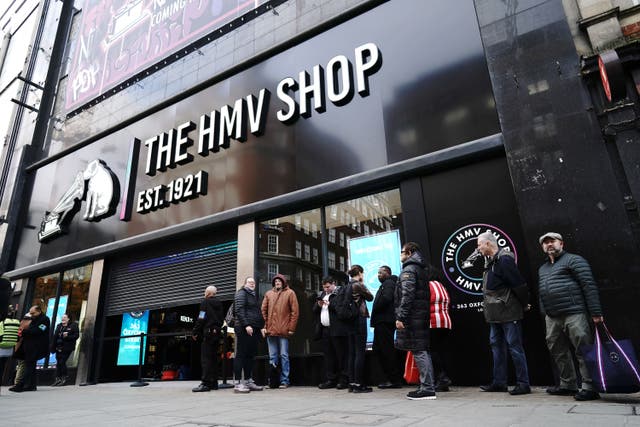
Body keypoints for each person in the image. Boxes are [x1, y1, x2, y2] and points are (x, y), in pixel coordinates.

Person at [538, 232, 604, 401]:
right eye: (545, 243)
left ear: (562, 243)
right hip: (552, 316)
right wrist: (545, 312)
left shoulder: (574, 260)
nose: (549, 245)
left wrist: (596, 312)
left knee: (583, 349)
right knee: (557, 350)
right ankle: (568, 385)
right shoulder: (543, 268)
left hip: (574, 312)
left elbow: (588, 286)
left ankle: (590, 387)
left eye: (552, 241)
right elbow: (542, 292)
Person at [477, 231, 531, 395]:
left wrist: (524, 303)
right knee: (496, 347)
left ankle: (523, 384)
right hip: (494, 314)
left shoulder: (504, 259)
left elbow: (518, 284)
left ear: (488, 243)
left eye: (479, 245)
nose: (478, 249)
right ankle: (499, 382)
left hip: (508, 312)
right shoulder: (490, 262)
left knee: (515, 347)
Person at [395, 242, 436, 400]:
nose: (401, 255)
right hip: (419, 315)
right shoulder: (420, 268)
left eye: (402, 252)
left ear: (409, 252)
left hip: (413, 317)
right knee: (422, 350)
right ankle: (427, 386)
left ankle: (427, 388)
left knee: (419, 351)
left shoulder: (409, 269)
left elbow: (407, 295)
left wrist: (401, 316)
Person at [261, 273, 299, 389]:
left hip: (284, 330)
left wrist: (291, 328)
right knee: (272, 357)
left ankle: (285, 380)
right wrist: (265, 326)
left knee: (284, 355)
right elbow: (263, 311)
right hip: (270, 331)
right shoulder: (268, 294)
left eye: (279, 281)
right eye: (275, 281)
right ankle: (273, 381)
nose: (277, 283)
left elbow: (295, 312)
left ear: (283, 283)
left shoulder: (290, 293)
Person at [314, 276, 350, 389]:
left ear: (333, 283)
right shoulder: (323, 294)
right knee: (329, 356)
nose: (326, 289)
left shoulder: (339, 293)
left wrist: (330, 304)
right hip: (325, 330)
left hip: (337, 329)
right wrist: (318, 305)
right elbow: (314, 310)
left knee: (341, 355)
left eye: (328, 287)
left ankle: (344, 379)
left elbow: (341, 310)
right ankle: (331, 379)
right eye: (324, 287)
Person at [371, 265, 402, 389]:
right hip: (381, 322)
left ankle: (393, 380)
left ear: (388, 273)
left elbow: (387, 298)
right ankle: (389, 378)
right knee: (379, 350)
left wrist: (376, 305)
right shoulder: (386, 284)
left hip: (384, 321)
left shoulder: (389, 283)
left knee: (386, 351)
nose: (378, 275)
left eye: (381, 272)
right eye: (378, 273)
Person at [233, 277, 265, 393]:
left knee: (250, 355)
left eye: (253, 282)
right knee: (241, 354)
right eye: (250, 282)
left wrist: (261, 327)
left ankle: (248, 381)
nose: (252, 284)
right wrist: (246, 325)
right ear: (245, 283)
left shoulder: (252, 295)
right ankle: (237, 383)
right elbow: (239, 310)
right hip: (243, 328)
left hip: (254, 328)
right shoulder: (241, 293)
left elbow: (257, 313)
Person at [345, 264, 374, 393]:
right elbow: (370, 296)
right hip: (359, 319)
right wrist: (363, 283)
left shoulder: (347, 285)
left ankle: (351, 383)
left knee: (351, 353)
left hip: (350, 320)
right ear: (360, 273)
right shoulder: (358, 284)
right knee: (360, 352)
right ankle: (358, 384)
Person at [9, 305, 50, 392]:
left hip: (36, 347)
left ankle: (21, 385)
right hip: (29, 346)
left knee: (29, 366)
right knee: (30, 365)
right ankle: (31, 385)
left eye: (33, 313)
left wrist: (24, 332)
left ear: (39, 311)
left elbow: (39, 330)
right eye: (30, 313)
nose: (31, 315)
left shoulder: (45, 319)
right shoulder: (34, 319)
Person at [191, 285, 224, 392]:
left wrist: (195, 331)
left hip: (208, 333)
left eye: (205, 292)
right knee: (214, 358)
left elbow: (201, 317)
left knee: (206, 359)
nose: (204, 293)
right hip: (217, 333)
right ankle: (214, 383)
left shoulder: (205, 302)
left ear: (208, 293)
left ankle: (205, 383)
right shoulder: (219, 303)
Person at [429, 277, 453, 392]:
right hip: (445, 322)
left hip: (432, 323)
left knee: (432, 352)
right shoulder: (442, 286)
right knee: (440, 351)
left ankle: (441, 378)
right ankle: (443, 379)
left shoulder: (427, 286)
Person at [50, 313, 80, 386]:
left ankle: (64, 378)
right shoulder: (59, 326)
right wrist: (52, 347)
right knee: (58, 363)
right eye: (62, 317)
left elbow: (76, 336)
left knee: (62, 362)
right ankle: (58, 379)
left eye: (64, 317)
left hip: (67, 347)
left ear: (68, 318)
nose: (63, 319)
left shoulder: (73, 325)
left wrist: (67, 336)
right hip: (58, 347)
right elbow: (55, 337)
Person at [0, 305, 19, 391]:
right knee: (2, 366)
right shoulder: (15, 322)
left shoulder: (2, 322)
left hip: (1, 345)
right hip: (9, 346)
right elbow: (17, 337)